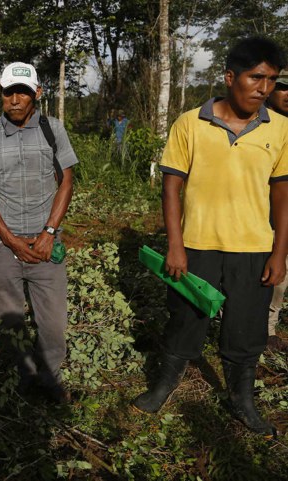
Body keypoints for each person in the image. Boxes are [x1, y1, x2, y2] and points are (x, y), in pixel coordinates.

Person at [132, 37, 288, 438]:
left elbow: (282, 195)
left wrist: (279, 252)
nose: (264, 88)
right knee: (185, 318)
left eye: (271, 80)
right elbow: (171, 188)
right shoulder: (190, 123)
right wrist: (176, 245)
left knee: (247, 327)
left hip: (254, 248)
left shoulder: (282, 128)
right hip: (198, 244)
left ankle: (242, 400)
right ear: (230, 76)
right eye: (256, 77)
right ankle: (163, 386)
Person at [0, 62, 78, 403]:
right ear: (0, 94)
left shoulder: (53, 129)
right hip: (3, 246)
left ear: (37, 94)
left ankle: (51, 377)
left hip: (46, 242)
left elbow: (67, 182)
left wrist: (48, 233)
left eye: (23, 92)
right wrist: (12, 240)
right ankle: (26, 377)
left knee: (53, 320)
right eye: (8, 92)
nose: (15, 100)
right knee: (11, 317)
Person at [266, 69, 288, 352]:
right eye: (282, 87)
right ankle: (266, 331)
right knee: (274, 278)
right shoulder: (260, 123)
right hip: (266, 216)